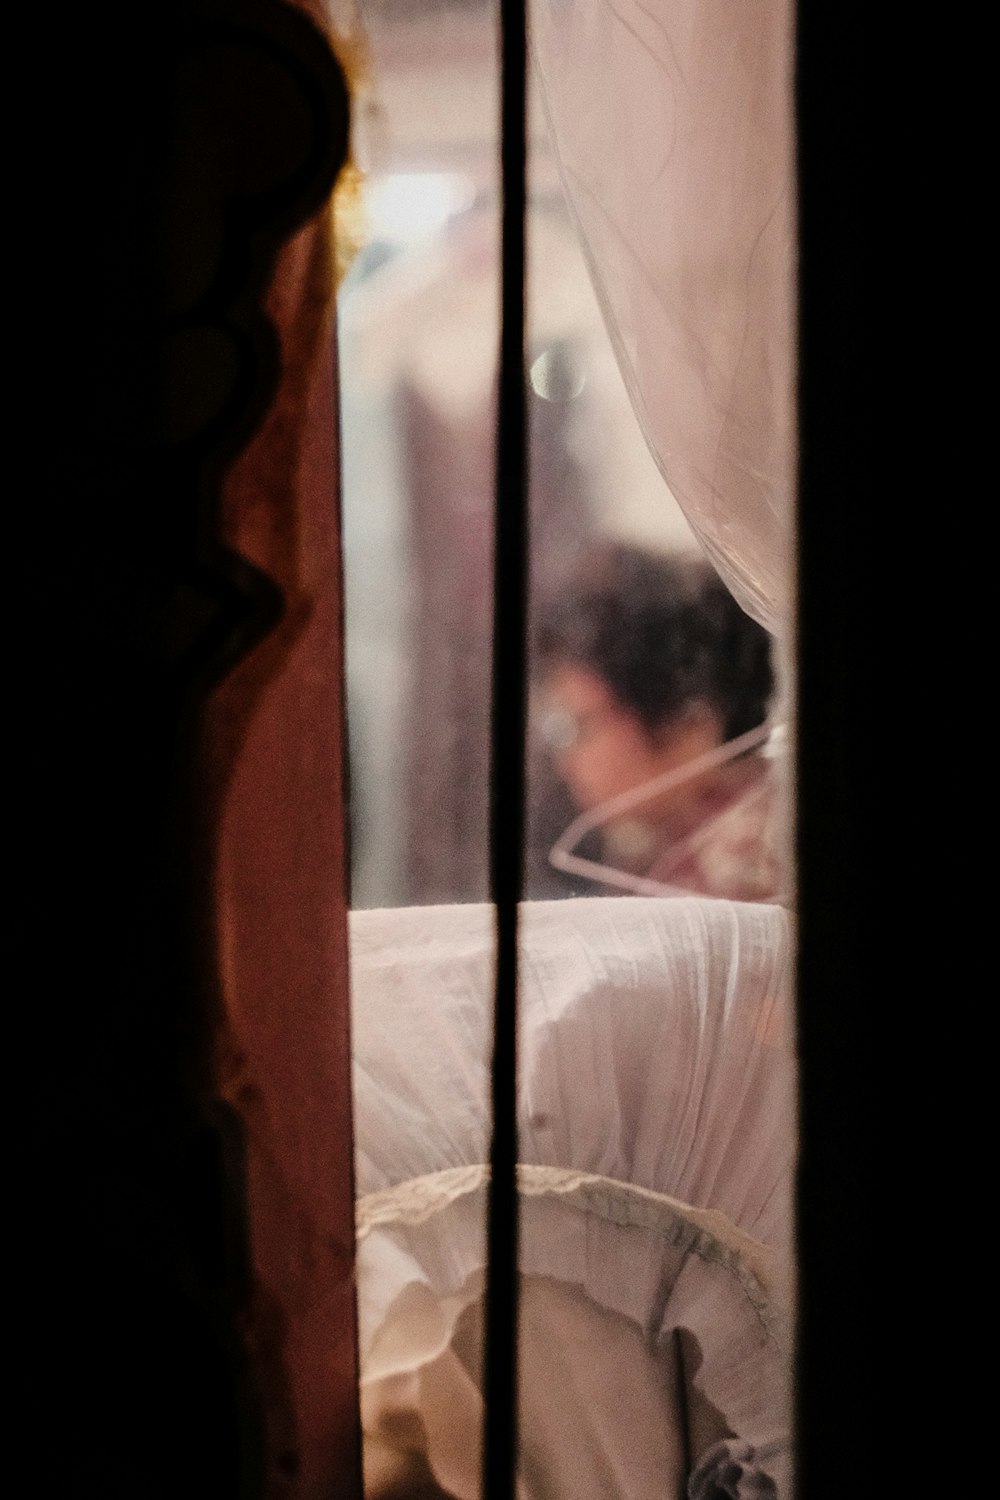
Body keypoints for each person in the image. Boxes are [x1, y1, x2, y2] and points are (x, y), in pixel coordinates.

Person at [532, 540, 788, 903]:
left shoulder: (742, 867)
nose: (566, 759)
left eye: (577, 726)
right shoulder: (656, 842)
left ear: (684, 717)